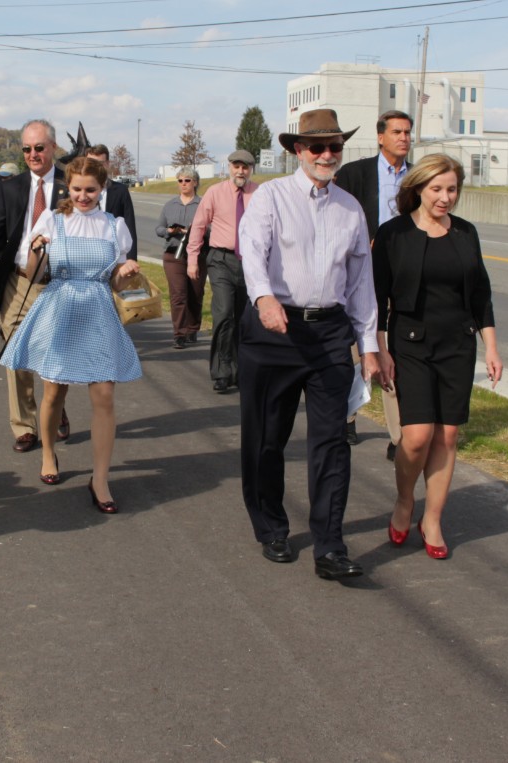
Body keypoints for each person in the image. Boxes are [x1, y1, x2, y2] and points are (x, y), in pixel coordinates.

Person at [237, 109, 380, 581]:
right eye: (316, 147)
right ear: (297, 151)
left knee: (332, 443)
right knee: (266, 439)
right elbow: (252, 251)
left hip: (329, 335)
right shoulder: (271, 198)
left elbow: (361, 282)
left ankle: (330, 546)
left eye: (334, 147)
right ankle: (272, 527)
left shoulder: (350, 209)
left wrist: (369, 344)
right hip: (273, 332)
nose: (326, 155)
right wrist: (263, 298)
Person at [373, 153, 502, 559]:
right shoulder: (393, 233)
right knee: (416, 437)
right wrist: (380, 349)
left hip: (457, 344)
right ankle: (405, 500)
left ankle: (433, 518)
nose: (446, 197)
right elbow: (377, 297)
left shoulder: (466, 233)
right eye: (437, 189)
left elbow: (480, 293)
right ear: (418, 189)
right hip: (410, 343)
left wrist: (492, 347)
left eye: (452, 189)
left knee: (447, 434)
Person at [0, 157, 141, 513]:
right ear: (68, 188)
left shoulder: (114, 226)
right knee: (54, 391)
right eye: (76, 189)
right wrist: (36, 250)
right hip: (60, 306)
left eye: (90, 190)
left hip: (98, 308)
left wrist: (126, 272)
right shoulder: (52, 220)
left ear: (102, 188)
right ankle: (48, 454)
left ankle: (101, 479)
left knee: (105, 393)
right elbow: (34, 272)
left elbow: (115, 281)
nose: (83, 196)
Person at [0, 119, 71, 453]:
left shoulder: (69, 186)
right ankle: (24, 427)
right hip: (17, 283)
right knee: (15, 353)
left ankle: (55, 407)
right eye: (27, 149)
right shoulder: (10, 188)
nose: (33, 154)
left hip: (58, 285)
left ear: (53, 148)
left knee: (53, 355)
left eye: (39, 148)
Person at [335, 110, 414, 458]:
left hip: (403, 277)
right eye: (397, 132)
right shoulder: (354, 174)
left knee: (393, 352)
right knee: (358, 351)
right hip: (362, 275)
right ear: (380, 137)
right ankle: (348, 416)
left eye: (408, 132)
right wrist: (363, 241)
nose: (404, 138)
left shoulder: (417, 178)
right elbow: (335, 219)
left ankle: (399, 437)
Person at [186, 149, 259, 392]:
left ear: (251, 169)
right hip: (220, 259)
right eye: (236, 166)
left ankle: (238, 371)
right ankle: (221, 370)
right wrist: (193, 259)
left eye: (245, 167)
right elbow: (198, 226)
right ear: (229, 167)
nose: (241, 171)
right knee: (224, 312)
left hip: (249, 262)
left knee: (243, 318)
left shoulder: (260, 193)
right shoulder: (215, 192)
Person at [155, 168, 204, 348]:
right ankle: (179, 334)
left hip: (197, 255)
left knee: (195, 294)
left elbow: (212, 228)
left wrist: (193, 232)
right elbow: (158, 228)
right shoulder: (170, 205)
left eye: (187, 180)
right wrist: (169, 231)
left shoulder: (203, 204)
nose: (183, 184)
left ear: (195, 183)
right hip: (173, 254)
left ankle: (192, 328)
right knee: (178, 295)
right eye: (180, 180)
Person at [85, 145, 139, 261]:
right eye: (91, 162)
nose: (95, 167)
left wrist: (131, 259)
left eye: (100, 163)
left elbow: (129, 226)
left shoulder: (120, 191)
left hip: (114, 256)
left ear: (107, 164)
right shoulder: (79, 192)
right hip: (86, 254)